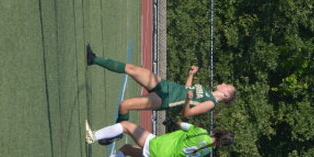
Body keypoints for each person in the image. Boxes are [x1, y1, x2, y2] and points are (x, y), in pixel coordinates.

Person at [86, 44, 237, 122]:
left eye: (227, 86)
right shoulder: (206, 92)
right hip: (166, 86)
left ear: (225, 94)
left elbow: (187, 114)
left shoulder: (210, 103)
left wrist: (188, 99)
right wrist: (191, 75)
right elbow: (187, 89)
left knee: (124, 105)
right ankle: (93, 59)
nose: (223, 83)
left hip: (165, 99)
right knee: (132, 69)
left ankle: (118, 130)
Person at [84, 119, 235, 157]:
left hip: (158, 148)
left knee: (126, 125)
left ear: (220, 132)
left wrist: (173, 122)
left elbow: (182, 124)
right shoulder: (208, 151)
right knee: (127, 149)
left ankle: (93, 136)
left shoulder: (202, 132)